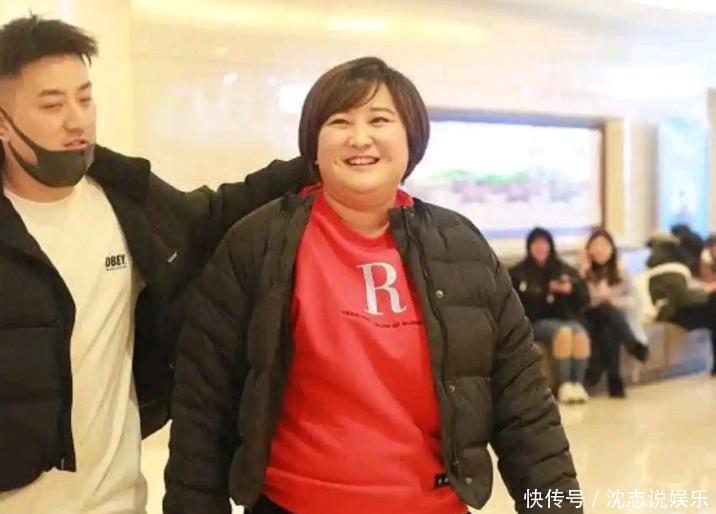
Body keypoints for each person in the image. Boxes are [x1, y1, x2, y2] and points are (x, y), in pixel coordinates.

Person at [164, 57, 582, 514]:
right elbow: (202, 409)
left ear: (411, 138)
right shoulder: (258, 244)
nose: (360, 138)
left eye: (379, 120)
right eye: (340, 122)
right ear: (313, 143)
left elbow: (526, 409)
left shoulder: (462, 247)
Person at [0, 15, 309, 513]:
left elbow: (214, 213)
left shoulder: (125, 199)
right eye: (52, 105)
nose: (77, 120)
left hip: (120, 501)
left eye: (85, 98)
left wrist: (318, 156)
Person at [509, 227, 591, 404]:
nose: (540, 248)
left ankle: (578, 384)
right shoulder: (519, 272)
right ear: (529, 247)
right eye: (536, 244)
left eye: (544, 244)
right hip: (537, 321)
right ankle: (564, 385)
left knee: (580, 335)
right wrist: (546, 290)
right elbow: (520, 304)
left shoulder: (563, 269)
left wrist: (570, 289)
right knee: (563, 333)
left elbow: (583, 299)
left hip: (565, 318)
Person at [580, 229, 649, 398]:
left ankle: (614, 381)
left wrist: (614, 301)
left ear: (612, 250)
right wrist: (585, 277)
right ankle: (632, 344)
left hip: (611, 319)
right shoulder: (583, 271)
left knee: (609, 328)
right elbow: (581, 302)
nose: (600, 250)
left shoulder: (621, 273)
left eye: (605, 245)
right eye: (595, 245)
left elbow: (634, 301)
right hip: (588, 318)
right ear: (589, 250)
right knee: (606, 311)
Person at [641, 233, 716, 376]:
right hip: (671, 311)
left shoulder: (668, 269)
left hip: (676, 310)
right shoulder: (670, 270)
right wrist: (706, 291)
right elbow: (681, 298)